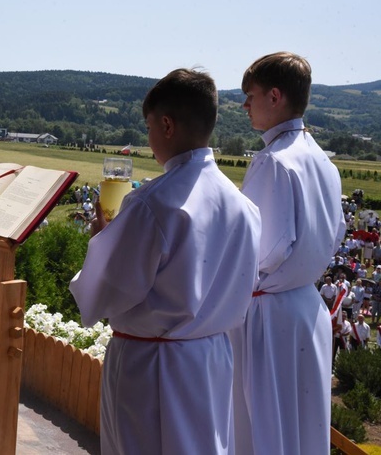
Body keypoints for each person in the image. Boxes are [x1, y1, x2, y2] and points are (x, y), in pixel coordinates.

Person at [69, 69, 261, 454]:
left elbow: (105, 295)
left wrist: (100, 243)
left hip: (153, 365)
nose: (148, 137)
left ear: (167, 125)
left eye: (149, 126)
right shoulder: (243, 205)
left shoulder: (151, 204)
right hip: (211, 359)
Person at [229, 52, 345, 455]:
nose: (245, 105)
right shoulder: (323, 162)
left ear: (275, 96)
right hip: (306, 309)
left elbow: (261, 253)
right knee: (302, 427)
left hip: (269, 316)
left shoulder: (273, 161)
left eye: (251, 95)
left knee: (263, 428)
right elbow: (335, 235)